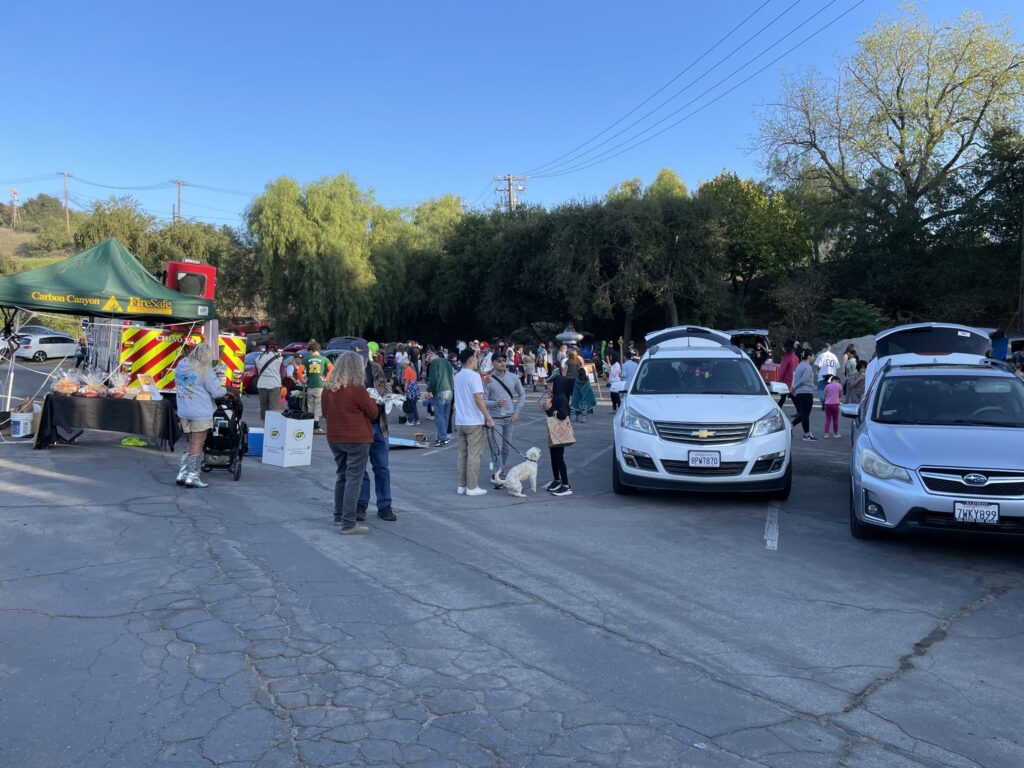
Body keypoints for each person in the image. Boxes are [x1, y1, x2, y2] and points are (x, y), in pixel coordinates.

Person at [323, 352, 378, 535]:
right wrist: (373, 401)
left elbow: (324, 412)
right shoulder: (357, 389)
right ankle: (349, 523)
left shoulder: (328, 389)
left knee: (342, 476)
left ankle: (338, 515)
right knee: (354, 480)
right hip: (357, 438)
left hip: (335, 437)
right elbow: (373, 413)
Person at [173, 344, 226, 488]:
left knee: (190, 442)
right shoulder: (205, 369)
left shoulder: (181, 365)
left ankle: (182, 474)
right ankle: (193, 477)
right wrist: (224, 388)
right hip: (200, 412)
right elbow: (216, 392)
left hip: (184, 409)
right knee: (198, 443)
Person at [357, 355, 398, 523]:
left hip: (379, 426)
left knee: (382, 468)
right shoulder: (348, 372)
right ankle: (360, 504)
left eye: (363, 354)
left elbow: (386, 390)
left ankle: (385, 505)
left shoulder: (376, 368)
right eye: (356, 354)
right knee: (359, 469)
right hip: (359, 426)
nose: (360, 358)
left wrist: (394, 399)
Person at [454, 347, 494, 496]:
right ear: (471, 359)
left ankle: (462, 485)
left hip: (460, 420)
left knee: (462, 454)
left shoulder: (458, 376)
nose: (477, 361)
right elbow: (478, 398)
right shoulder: (474, 376)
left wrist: (484, 385)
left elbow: (468, 395)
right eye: (476, 358)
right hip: (473, 421)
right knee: (474, 455)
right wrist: (488, 418)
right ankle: (472, 487)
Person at [483, 352, 526, 484]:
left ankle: (501, 470)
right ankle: (499, 473)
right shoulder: (488, 379)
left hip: (510, 418)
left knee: (506, 448)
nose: (502, 363)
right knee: (497, 448)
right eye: (499, 361)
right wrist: (495, 403)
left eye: (504, 360)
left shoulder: (513, 377)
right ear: (493, 363)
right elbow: (483, 400)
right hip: (495, 419)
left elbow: (522, 394)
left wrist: (517, 411)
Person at [542, 371, 574, 496]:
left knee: (559, 458)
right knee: (553, 457)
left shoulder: (560, 398)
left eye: (550, 385)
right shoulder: (555, 397)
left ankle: (566, 485)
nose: (548, 387)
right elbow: (551, 415)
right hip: (554, 432)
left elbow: (563, 415)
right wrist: (547, 409)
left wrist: (550, 408)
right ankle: (557, 480)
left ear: (557, 386)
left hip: (559, 433)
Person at [302, 341, 332, 435]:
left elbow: (299, 371)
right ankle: (316, 427)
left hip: (310, 385)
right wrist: (325, 378)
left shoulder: (307, 359)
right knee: (318, 407)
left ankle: (309, 426)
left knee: (310, 406)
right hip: (320, 385)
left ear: (311, 350)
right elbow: (331, 368)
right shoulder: (324, 359)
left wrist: (303, 380)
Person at [428, 349, 455, 446]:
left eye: (429, 361)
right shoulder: (448, 363)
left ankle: (442, 437)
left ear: (432, 358)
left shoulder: (434, 363)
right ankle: (444, 435)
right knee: (445, 416)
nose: (429, 363)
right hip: (449, 390)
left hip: (440, 391)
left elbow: (433, 379)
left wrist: (429, 390)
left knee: (439, 415)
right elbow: (452, 377)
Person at [254, 340, 285, 421]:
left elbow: (256, 374)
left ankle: (265, 426)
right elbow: (283, 374)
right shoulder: (279, 358)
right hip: (274, 385)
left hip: (262, 385)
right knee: (274, 408)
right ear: (273, 347)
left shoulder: (258, 358)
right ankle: (273, 427)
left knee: (264, 407)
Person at [792, 349, 817, 441]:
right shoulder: (808, 367)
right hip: (806, 393)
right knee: (805, 414)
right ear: (809, 356)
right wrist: (794, 387)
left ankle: (791, 426)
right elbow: (804, 380)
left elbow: (796, 377)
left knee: (802, 414)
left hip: (799, 393)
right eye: (813, 355)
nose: (813, 357)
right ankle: (806, 434)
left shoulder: (799, 365)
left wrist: (794, 387)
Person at [776, 341, 798, 408]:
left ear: (786, 348)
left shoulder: (785, 358)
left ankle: (777, 411)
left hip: (786, 381)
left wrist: (778, 381)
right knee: (792, 397)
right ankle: (799, 412)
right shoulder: (796, 357)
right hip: (794, 380)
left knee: (783, 398)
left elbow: (782, 371)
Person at [401, 361, 421, 426]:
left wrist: (405, 390)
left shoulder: (407, 370)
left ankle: (410, 420)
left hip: (410, 389)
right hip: (415, 388)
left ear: (405, 364)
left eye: (402, 364)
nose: (402, 365)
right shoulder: (411, 368)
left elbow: (406, 381)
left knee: (410, 405)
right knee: (414, 405)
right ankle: (417, 419)